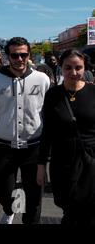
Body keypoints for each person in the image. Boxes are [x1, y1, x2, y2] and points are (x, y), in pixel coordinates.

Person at [0, 37, 50, 224]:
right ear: (7, 56)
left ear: (28, 55)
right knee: (3, 190)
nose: (20, 59)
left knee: (34, 198)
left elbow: (49, 114)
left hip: (34, 148)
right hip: (4, 148)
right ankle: (10, 209)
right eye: (15, 55)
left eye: (23, 55)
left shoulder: (42, 80)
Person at [37, 49, 95, 225]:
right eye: (68, 67)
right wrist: (41, 165)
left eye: (78, 67)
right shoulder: (52, 95)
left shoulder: (93, 92)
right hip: (62, 162)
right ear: (61, 68)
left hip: (91, 162)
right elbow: (47, 132)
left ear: (85, 68)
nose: (74, 72)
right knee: (68, 206)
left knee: (89, 210)